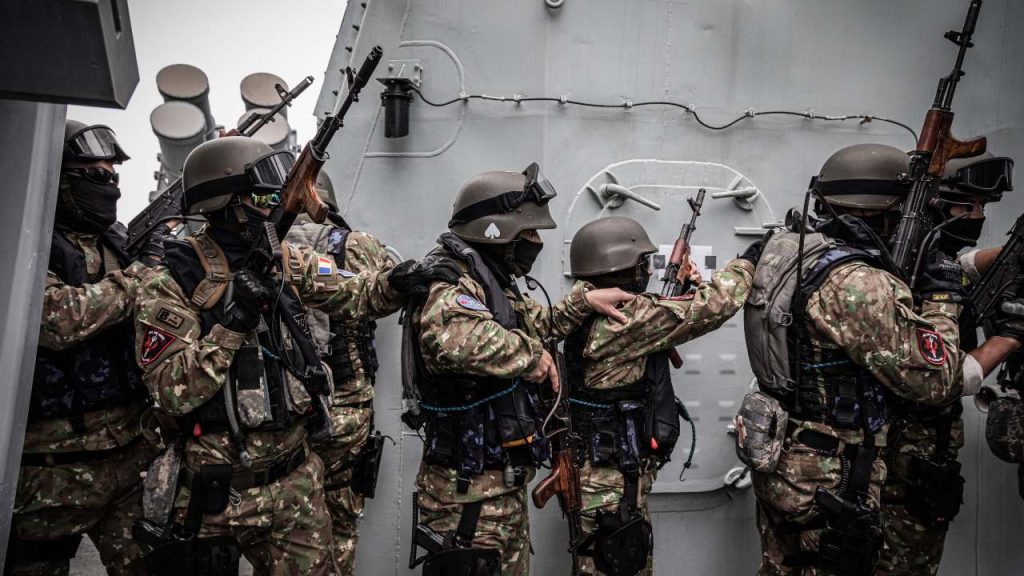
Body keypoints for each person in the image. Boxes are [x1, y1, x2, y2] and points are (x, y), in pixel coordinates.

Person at [131, 136, 459, 576]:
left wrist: (401, 279)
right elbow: (173, 393)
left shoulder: (281, 259)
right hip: (211, 494)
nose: (275, 206)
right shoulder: (169, 281)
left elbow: (353, 293)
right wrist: (234, 323)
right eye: (265, 196)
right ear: (226, 203)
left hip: (294, 482)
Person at [738, 143, 968, 576]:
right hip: (834, 475)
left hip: (787, 454)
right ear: (887, 213)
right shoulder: (857, 281)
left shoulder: (790, 249)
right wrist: (942, 298)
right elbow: (937, 379)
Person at [403, 165, 633, 576]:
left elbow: (532, 323)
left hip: (495, 490)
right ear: (498, 232)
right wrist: (533, 358)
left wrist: (584, 302)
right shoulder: (450, 282)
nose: (536, 243)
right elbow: (456, 340)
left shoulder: (490, 280)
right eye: (529, 235)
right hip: (466, 499)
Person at [7, 120, 162, 576]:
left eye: (111, 175)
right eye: (93, 175)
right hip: (54, 467)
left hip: (131, 454)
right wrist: (140, 278)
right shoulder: (26, 241)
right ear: (57, 179)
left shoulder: (117, 240)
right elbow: (56, 320)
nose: (107, 185)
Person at [563, 216, 759, 576]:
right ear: (621, 269)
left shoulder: (587, 311)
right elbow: (712, 306)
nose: (648, 271)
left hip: (604, 472)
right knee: (619, 563)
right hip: (610, 483)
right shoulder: (625, 319)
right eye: (642, 263)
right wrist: (747, 261)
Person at [878, 152, 1018, 576]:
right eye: (965, 206)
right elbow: (946, 379)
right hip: (907, 448)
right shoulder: (904, 268)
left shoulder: (898, 256)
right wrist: (1010, 338)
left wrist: (1009, 255)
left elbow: (956, 268)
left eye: (982, 208)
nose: (976, 216)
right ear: (933, 205)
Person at [285, 172, 396, 574]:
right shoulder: (356, 245)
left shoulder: (260, 248)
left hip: (280, 411)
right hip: (347, 408)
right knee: (342, 524)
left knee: (286, 528)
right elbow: (391, 288)